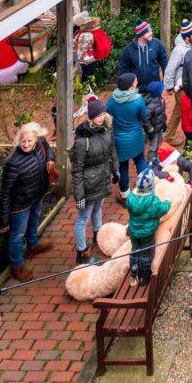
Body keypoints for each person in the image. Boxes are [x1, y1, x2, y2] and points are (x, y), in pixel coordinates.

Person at [0, 122, 55, 282]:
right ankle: (17, 265)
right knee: (17, 235)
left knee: (34, 220)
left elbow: (48, 148)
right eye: (23, 141)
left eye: (30, 141)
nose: (26, 144)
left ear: (36, 138)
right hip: (20, 204)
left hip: (37, 194)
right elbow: (5, 191)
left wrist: (50, 159)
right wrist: (3, 221)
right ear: (19, 140)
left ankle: (33, 245)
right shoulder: (12, 162)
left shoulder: (40, 142)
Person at [71, 98, 117, 265]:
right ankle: (81, 252)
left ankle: (98, 234)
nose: (101, 117)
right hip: (89, 184)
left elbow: (112, 151)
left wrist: (115, 169)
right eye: (97, 115)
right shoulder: (83, 141)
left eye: (103, 113)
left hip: (102, 179)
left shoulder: (106, 130)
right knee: (83, 217)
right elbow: (77, 169)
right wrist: (79, 195)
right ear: (90, 116)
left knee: (98, 207)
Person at [105, 72, 148, 206]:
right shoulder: (138, 100)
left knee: (122, 167)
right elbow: (143, 117)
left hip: (119, 139)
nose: (136, 83)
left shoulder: (112, 100)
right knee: (140, 161)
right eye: (134, 82)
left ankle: (125, 195)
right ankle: (145, 189)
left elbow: (107, 117)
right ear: (130, 86)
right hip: (135, 137)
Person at [126, 168, 171, 287]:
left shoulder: (130, 198)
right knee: (145, 254)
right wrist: (167, 200)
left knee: (135, 251)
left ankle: (134, 273)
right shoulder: (153, 201)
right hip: (147, 233)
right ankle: (144, 278)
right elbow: (162, 210)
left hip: (134, 232)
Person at [163, 20, 192, 146]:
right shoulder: (178, 51)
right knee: (186, 110)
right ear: (187, 37)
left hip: (188, 84)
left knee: (178, 110)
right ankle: (189, 136)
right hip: (181, 86)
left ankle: (169, 135)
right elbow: (170, 69)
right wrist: (169, 87)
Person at [117, 19, 167, 95]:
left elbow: (164, 62)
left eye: (151, 31)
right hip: (135, 91)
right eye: (148, 32)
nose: (151, 33)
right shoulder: (129, 49)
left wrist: (165, 81)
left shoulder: (157, 44)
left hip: (154, 90)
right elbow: (123, 68)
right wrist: (125, 87)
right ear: (141, 34)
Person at [73, 12, 109, 84]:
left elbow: (82, 50)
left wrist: (77, 62)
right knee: (87, 79)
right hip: (91, 59)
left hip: (84, 61)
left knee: (82, 80)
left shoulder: (85, 35)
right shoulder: (90, 33)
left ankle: (82, 92)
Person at [145, 81, 166, 164]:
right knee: (153, 147)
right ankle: (150, 163)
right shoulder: (150, 106)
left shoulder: (161, 100)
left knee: (159, 144)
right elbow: (145, 120)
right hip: (154, 131)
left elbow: (162, 114)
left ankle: (157, 159)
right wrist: (150, 131)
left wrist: (164, 124)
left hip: (159, 128)